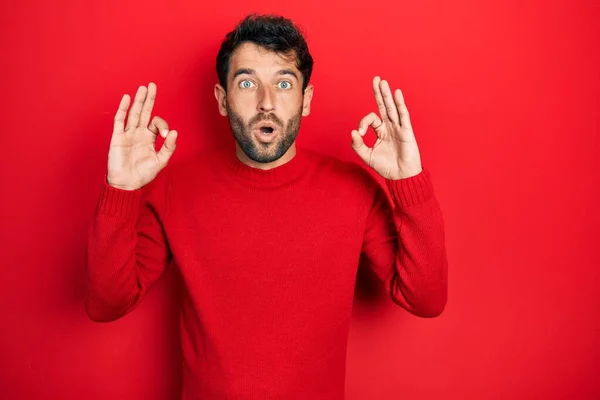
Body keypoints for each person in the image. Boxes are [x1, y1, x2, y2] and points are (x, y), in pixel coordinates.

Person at [86, 13, 448, 400]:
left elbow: (425, 299)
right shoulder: (177, 189)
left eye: (284, 83)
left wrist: (408, 182)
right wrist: (120, 190)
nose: (267, 103)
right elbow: (106, 303)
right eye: (247, 83)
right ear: (222, 100)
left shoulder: (353, 190)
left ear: (305, 100)